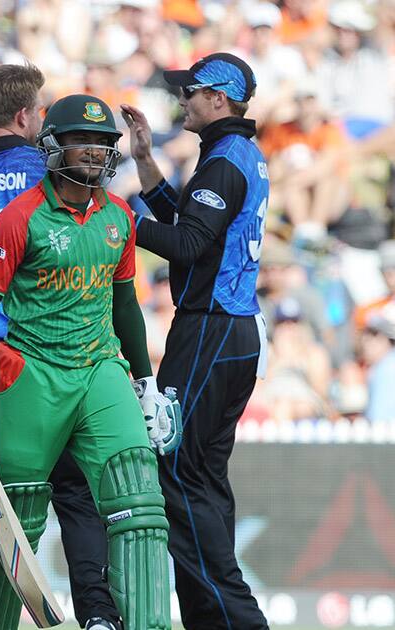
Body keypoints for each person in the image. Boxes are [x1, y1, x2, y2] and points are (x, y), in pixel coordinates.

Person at [0, 95, 176, 630]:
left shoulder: (118, 218)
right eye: (82, 142)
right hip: (31, 371)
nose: (95, 152)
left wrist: (147, 382)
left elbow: (126, 304)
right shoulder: (19, 217)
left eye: (104, 144)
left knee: (139, 496)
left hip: (98, 368)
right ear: (52, 146)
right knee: (13, 524)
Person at [120, 52, 270, 629]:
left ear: (219, 99)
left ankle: (234, 618)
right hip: (229, 328)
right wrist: (144, 164)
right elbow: (192, 227)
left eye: (191, 91)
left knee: (178, 469)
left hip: (211, 326)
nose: (182, 100)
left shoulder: (224, 161)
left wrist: (111, 215)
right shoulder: (237, 155)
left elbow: (184, 247)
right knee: (202, 473)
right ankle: (214, 617)